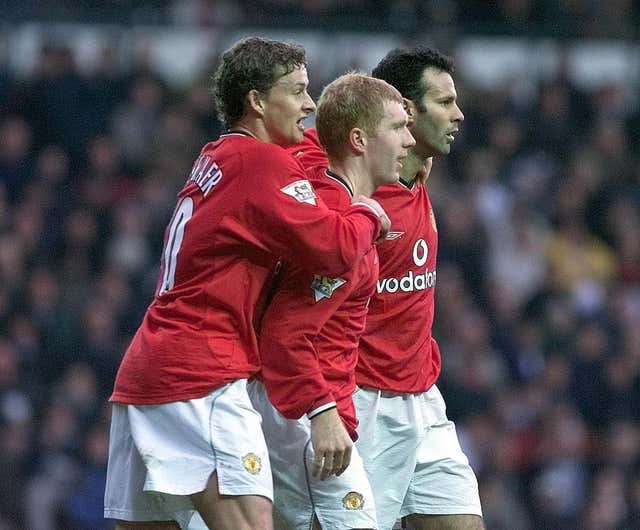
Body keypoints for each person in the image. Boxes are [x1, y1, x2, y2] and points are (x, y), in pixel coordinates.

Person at [103, 37, 390, 530]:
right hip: (202, 374)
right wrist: (367, 212)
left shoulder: (218, 156)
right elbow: (334, 248)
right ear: (257, 101)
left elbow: (309, 145)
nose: (309, 104)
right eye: (298, 92)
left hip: (147, 373)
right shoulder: (262, 163)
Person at [250, 72, 414, 530]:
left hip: (299, 408)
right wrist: (323, 413)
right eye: (398, 128)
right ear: (359, 139)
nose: (408, 139)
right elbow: (284, 334)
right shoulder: (338, 228)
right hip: (304, 418)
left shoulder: (333, 199)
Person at [354, 47, 485, 530]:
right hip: (362, 403)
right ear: (406, 111)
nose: (459, 113)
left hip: (422, 398)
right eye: (445, 102)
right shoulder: (354, 198)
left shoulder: (414, 171)